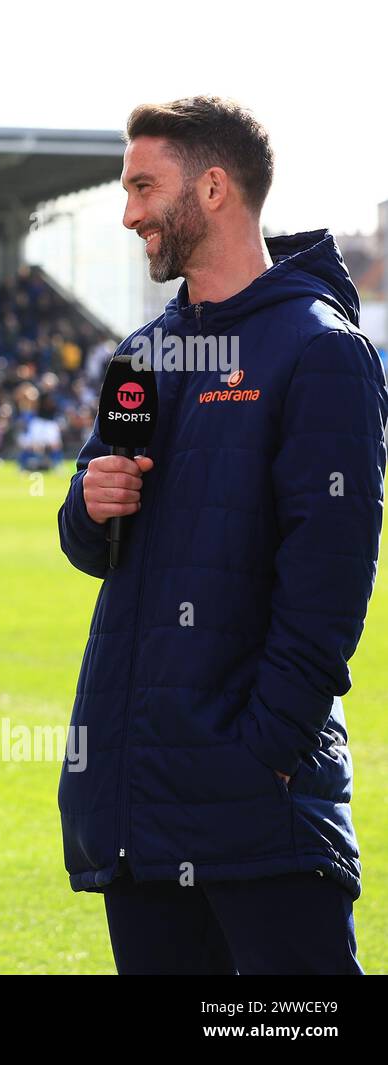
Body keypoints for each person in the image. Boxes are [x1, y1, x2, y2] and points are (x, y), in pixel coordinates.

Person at [57, 96, 388, 974]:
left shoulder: (319, 350)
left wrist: (264, 755)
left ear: (212, 188)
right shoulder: (144, 353)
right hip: (137, 803)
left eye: (142, 186)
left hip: (258, 810)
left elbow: (330, 584)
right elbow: (89, 544)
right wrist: (93, 503)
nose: (127, 212)